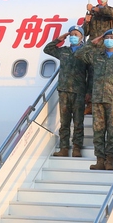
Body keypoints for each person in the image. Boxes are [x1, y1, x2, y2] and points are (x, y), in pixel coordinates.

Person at [74, 29, 113, 171]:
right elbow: (78, 54)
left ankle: (109, 160)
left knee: (112, 131)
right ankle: (99, 160)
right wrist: (93, 43)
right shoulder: (96, 56)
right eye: (107, 37)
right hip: (97, 98)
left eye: (112, 37)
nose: (109, 39)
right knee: (98, 131)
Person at [43, 26, 90, 158]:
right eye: (71, 34)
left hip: (79, 91)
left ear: (81, 37)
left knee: (78, 122)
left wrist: (89, 92)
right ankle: (64, 148)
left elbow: (91, 74)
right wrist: (59, 39)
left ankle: (76, 148)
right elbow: (47, 49)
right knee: (64, 122)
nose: (73, 36)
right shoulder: (64, 51)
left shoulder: (85, 53)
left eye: (76, 34)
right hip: (64, 91)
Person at [82, 0, 113, 115]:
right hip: (93, 48)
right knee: (91, 75)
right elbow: (85, 32)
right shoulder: (91, 13)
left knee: (104, 77)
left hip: (106, 48)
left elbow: (109, 13)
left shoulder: (112, 11)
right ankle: (90, 103)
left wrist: (93, 8)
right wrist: (86, 22)